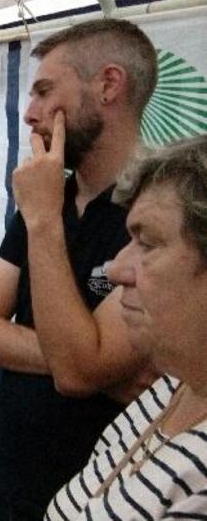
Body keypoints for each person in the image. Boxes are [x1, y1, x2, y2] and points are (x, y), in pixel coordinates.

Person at [0, 18, 159, 519]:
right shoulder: (47, 192)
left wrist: (86, 364)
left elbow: (76, 373)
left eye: (45, 92)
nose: (30, 114)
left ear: (108, 85)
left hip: (99, 495)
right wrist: (93, 361)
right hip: (3, 469)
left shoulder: (158, 210)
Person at [46, 134, 207, 519]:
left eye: (148, 244)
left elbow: (74, 367)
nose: (116, 270)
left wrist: (42, 220)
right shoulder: (173, 386)